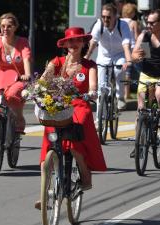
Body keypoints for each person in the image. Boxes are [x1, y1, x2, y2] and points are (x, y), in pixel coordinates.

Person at [35, 27, 107, 209]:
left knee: (75, 135)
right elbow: (43, 80)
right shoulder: (57, 62)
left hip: (80, 105)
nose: (74, 44)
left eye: (78, 40)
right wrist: (35, 90)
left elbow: (93, 86)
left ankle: (85, 175)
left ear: (83, 43)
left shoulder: (89, 65)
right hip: (60, 105)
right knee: (49, 138)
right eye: (70, 41)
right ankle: (45, 193)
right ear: (65, 44)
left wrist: (92, 93)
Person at [131, 9, 160, 141]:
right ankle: (139, 144)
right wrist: (137, 56)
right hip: (147, 73)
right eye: (147, 22)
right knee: (141, 109)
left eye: (152, 23)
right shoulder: (145, 36)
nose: (148, 25)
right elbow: (134, 54)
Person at [84, 3, 132, 111]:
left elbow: (126, 44)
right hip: (103, 56)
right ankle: (99, 118)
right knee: (101, 86)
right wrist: (86, 57)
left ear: (116, 16)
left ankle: (120, 97)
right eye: (103, 16)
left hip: (119, 55)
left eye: (109, 17)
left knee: (118, 71)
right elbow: (93, 43)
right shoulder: (99, 24)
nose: (105, 19)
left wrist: (128, 60)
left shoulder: (122, 25)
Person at [121, 2, 140, 100]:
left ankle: (121, 92)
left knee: (122, 71)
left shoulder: (119, 21)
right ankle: (126, 93)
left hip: (122, 47)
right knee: (130, 71)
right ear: (132, 12)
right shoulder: (133, 22)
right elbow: (137, 37)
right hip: (132, 48)